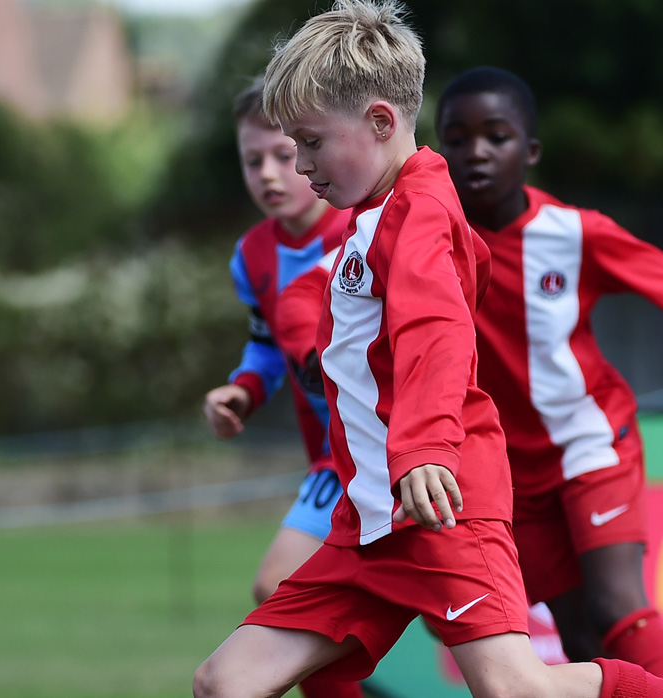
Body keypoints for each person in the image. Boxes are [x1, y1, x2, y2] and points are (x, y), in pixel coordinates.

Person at [190, 2, 663, 697]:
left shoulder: (420, 213)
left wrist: (425, 452)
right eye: (292, 144)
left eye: (312, 141)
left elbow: (434, 334)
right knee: (224, 681)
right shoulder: (370, 212)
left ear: (382, 122)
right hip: (370, 524)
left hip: (442, 507)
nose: (300, 163)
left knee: (517, 689)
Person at [436, 65, 663, 672]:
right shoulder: (426, 242)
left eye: (497, 136)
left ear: (530, 151)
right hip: (508, 471)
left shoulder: (574, 232)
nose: (476, 152)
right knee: (579, 637)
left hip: (591, 443)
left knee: (619, 607)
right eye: (456, 139)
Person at [201, 78, 360, 698]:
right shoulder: (254, 255)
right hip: (332, 462)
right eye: (252, 159)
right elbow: (267, 345)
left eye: (285, 153)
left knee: (471, 624)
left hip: (397, 453)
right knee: (280, 591)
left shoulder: (362, 230)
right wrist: (241, 390)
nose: (269, 172)